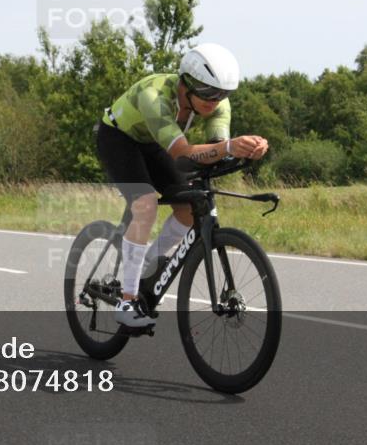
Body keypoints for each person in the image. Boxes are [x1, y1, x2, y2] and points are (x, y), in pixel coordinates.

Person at [96, 44, 269, 328]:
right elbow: (182, 153)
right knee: (146, 204)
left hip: (154, 143)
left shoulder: (218, 103)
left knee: (189, 208)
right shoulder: (155, 97)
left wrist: (247, 149)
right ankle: (127, 301)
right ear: (186, 83)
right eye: (208, 93)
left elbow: (214, 151)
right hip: (118, 138)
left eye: (222, 94)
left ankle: (148, 268)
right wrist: (229, 146)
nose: (215, 101)